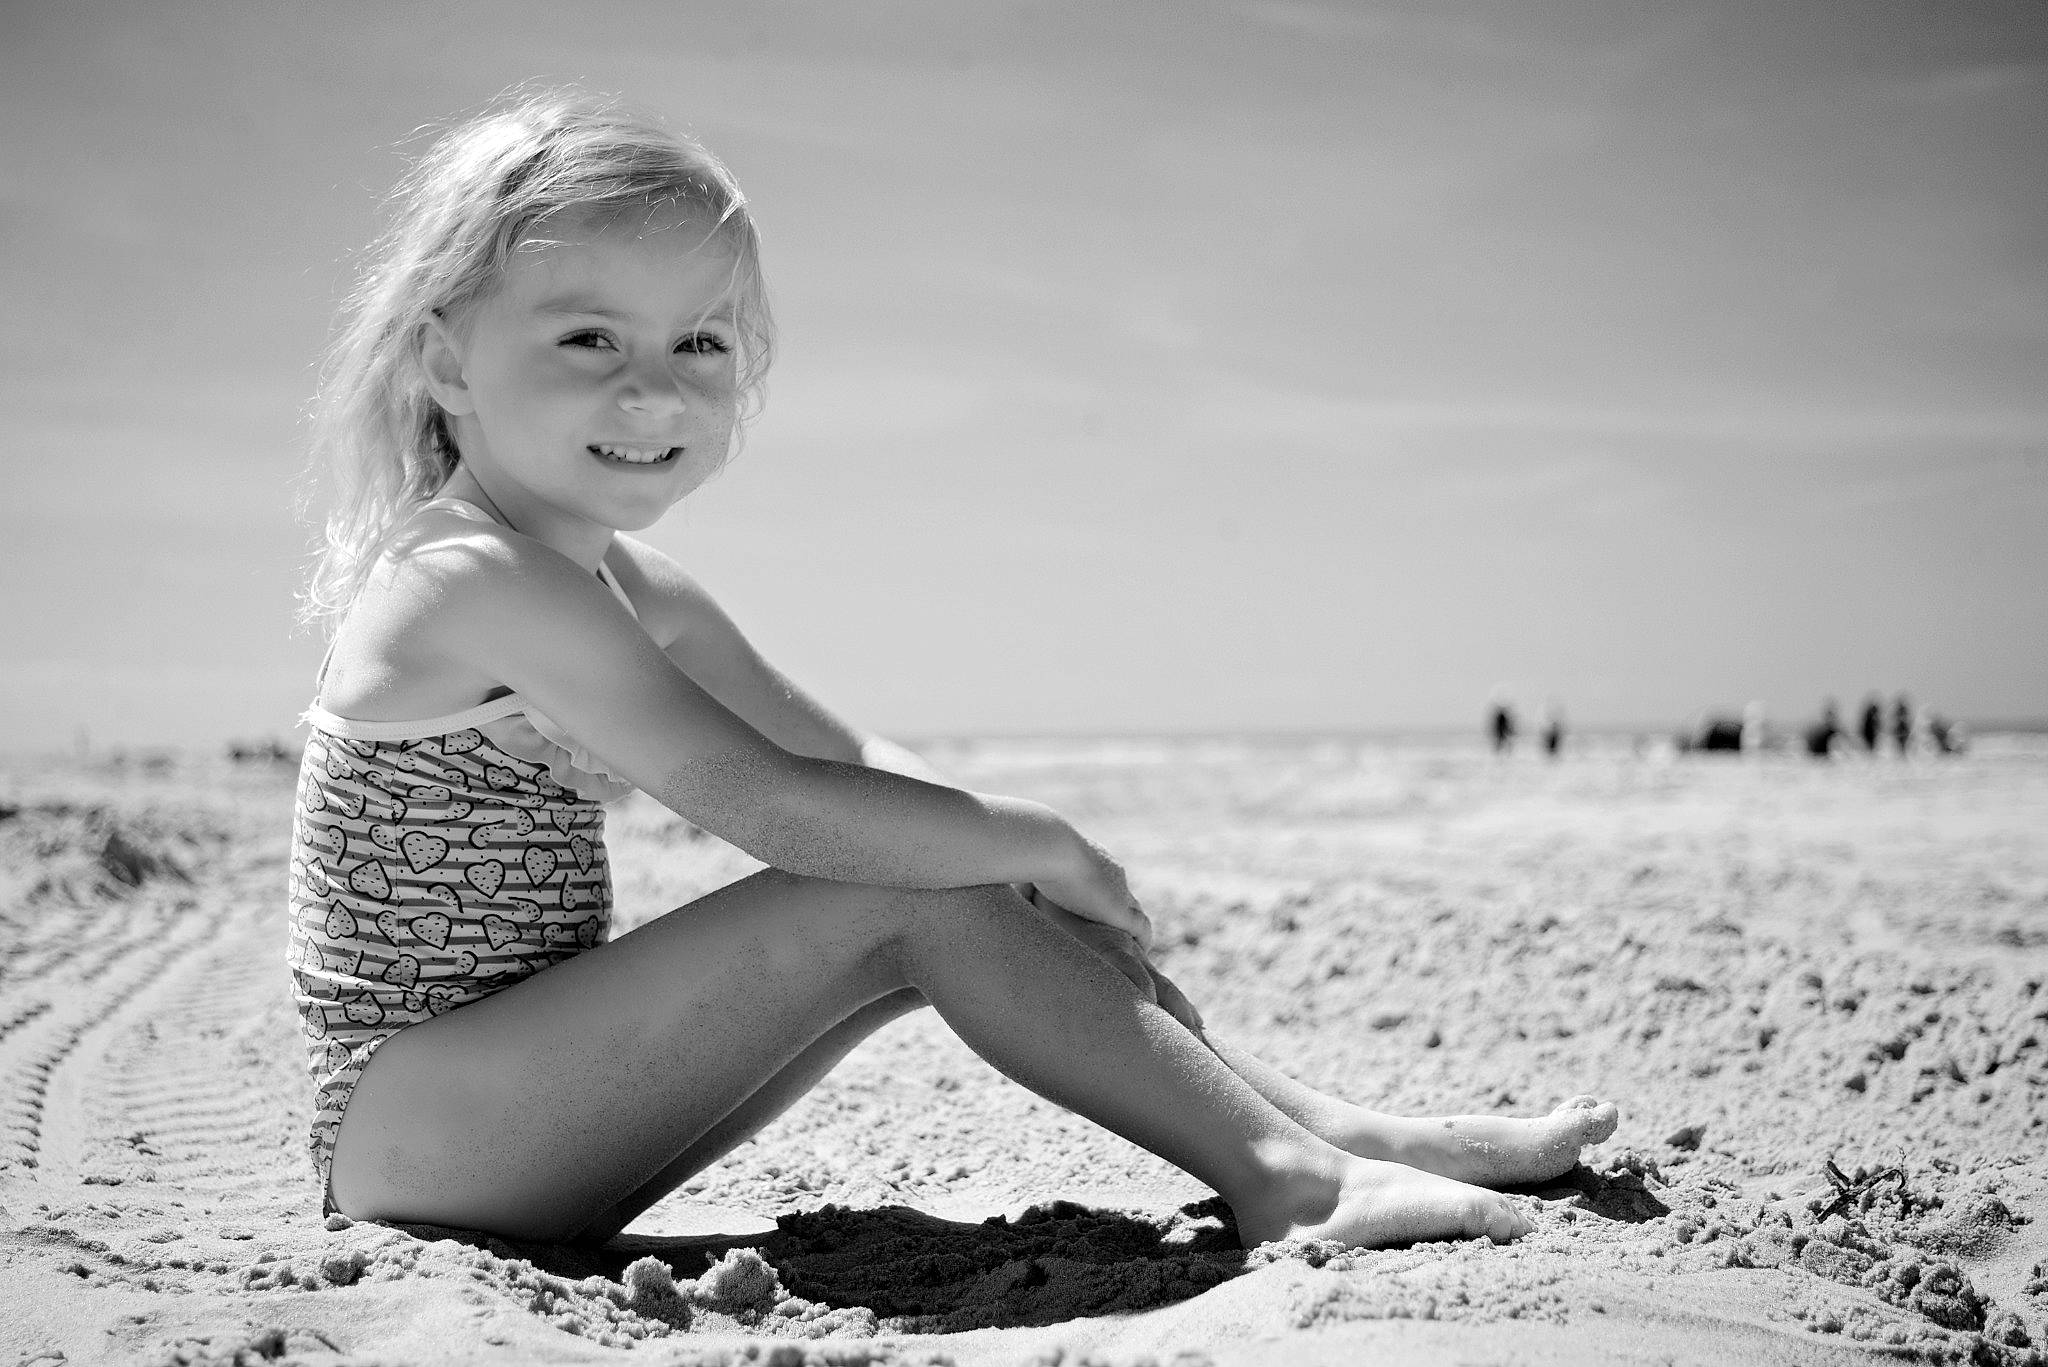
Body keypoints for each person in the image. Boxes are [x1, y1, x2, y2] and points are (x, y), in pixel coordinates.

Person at [287, 88, 1617, 1253]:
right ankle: (1291, 1178)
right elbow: (769, 805)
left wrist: (1027, 864)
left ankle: (1313, 1128)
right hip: (419, 1137)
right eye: (590, 340)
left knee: (952, 877)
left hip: (501, 1124)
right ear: (448, 354)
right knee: (910, 888)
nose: (656, 393)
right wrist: (1037, 840)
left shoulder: (607, 578)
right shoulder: (470, 577)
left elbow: (848, 762)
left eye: (698, 342)